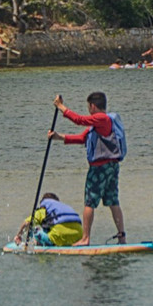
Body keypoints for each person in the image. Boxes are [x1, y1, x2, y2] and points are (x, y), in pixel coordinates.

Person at [48, 92, 127, 245]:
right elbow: (82, 138)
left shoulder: (101, 118)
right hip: (111, 167)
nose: (88, 110)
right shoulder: (100, 123)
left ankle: (85, 238)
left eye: (88, 106)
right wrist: (58, 137)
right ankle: (122, 237)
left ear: (93, 106)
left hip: (99, 169)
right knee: (113, 201)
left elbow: (79, 120)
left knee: (89, 202)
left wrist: (61, 107)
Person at [17, 193, 83, 247]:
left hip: (59, 237)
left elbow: (27, 223)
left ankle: (37, 243)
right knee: (48, 227)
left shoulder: (44, 209)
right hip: (79, 236)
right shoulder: (64, 207)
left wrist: (18, 235)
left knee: (34, 229)